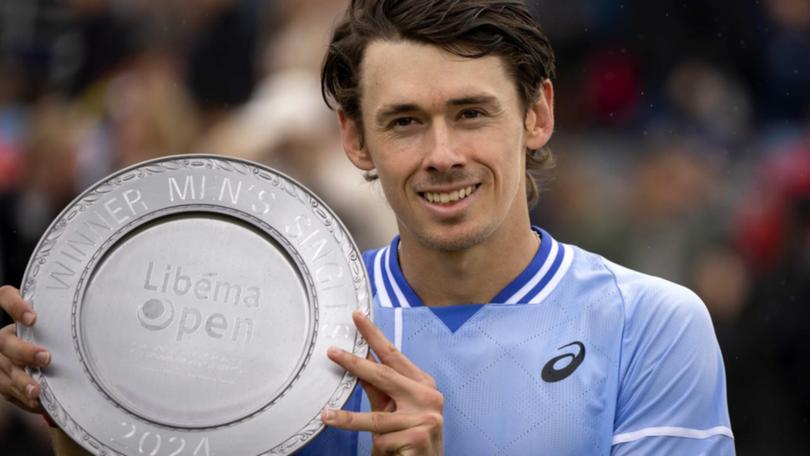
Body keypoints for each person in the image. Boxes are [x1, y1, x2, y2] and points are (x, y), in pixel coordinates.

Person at [0, 0, 734, 454]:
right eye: (406, 122)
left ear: (537, 115)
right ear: (355, 140)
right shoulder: (285, 325)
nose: (443, 155)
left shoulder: (652, 325)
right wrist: (79, 401)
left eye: (471, 113)